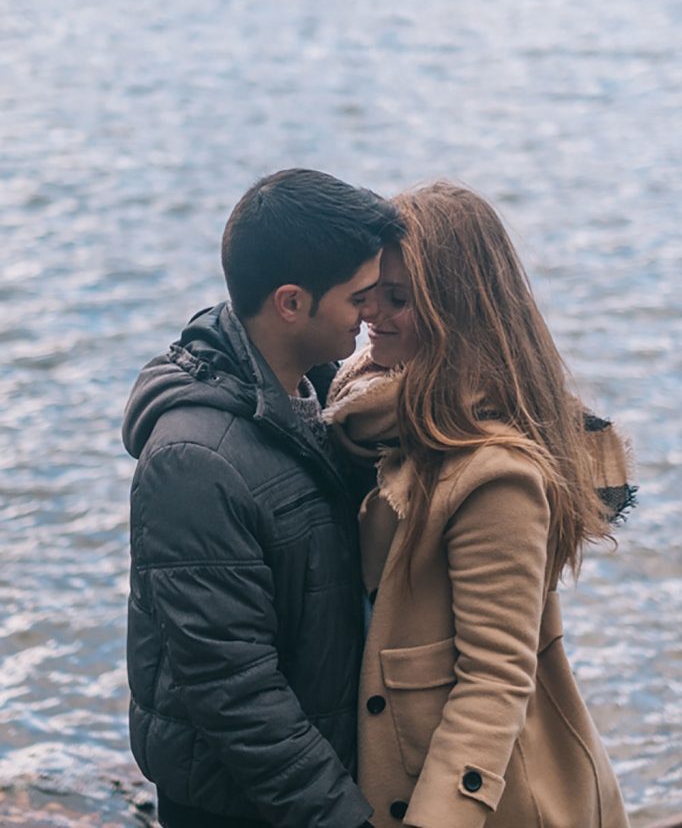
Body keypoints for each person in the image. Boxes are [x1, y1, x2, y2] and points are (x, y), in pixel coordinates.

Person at [324, 181, 635, 828]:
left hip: (492, 802)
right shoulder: (384, 420)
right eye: (369, 290)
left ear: (454, 311)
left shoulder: (495, 477)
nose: (371, 314)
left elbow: (495, 680)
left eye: (399, 298)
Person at [122, 168, 403, 828]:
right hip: (241, 805)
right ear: (290, 303)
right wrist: (343, 817)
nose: (371, 317)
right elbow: (234, 689)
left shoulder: (332, 395)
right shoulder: (193, 460)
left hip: (316, 776)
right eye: (359, 297)